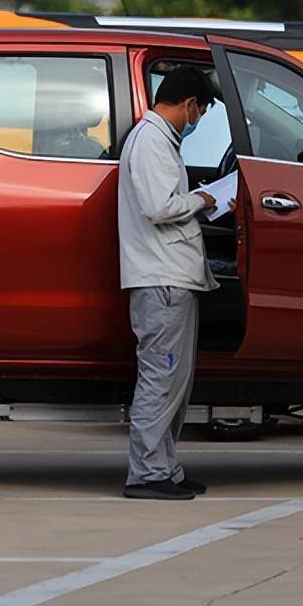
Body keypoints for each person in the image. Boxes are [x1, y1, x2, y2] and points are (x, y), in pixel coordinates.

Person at [118, 65, 222, 500]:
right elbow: (159, 207)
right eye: (199, 111)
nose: (197, 120)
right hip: (160, 279)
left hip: (172, 277)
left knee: (175, 382)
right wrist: (204, 198)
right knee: (160, 379)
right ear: (189, 104)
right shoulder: (150, 142)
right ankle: (146, 474)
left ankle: (164, 467)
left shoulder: (160, 141)